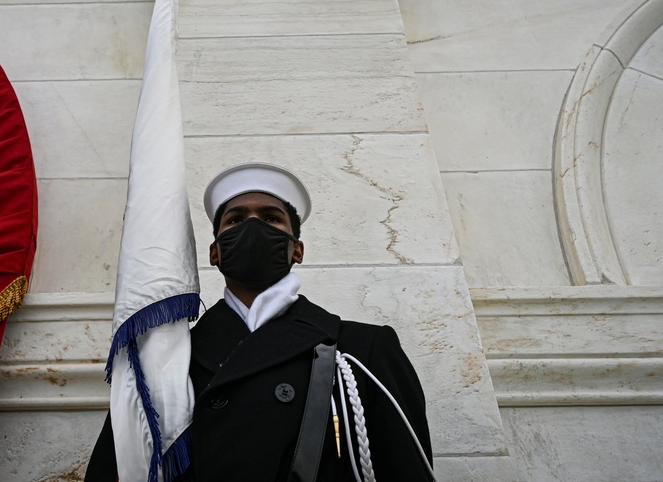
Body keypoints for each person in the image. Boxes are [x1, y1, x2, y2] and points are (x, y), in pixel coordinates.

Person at [87, 162, 433, 481]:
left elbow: (404, 467)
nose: (252, 225)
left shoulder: (361, 350)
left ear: (297, 249)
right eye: (236, 220)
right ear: (214, 252)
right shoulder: (166, 360)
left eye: (271, 218)